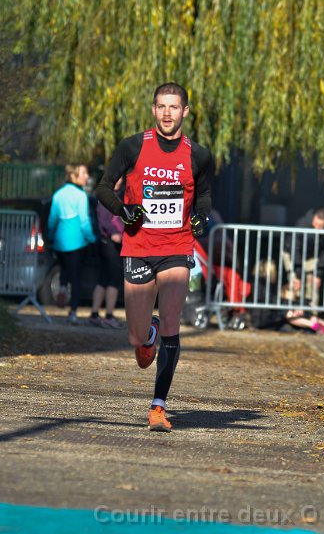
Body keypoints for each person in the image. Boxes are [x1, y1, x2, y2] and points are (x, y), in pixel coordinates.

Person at [96, 82, 213, 432]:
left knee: (173, 322)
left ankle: (158, 407)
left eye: (174, 107)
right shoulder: (132, 146)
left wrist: (201, 217)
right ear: (153, 109)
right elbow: (103, 187)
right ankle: (149, 334)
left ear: (185, 111)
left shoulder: (199, 155)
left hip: (176, 246)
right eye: (161, 106)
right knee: (136, 339)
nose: (167, 113)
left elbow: (204, 196)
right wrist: (123, 210)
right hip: (138, 246)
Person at [48, 164, 97, 324]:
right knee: (76, 277)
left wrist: (50, 237)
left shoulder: (58, 195)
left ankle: (62, 287)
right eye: (84, 173)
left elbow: (52, 220)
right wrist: (92, 238)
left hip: (60, 241)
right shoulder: (81, 195)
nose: (87, 176)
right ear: (73, 176)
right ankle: (73, 312)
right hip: (77, 241)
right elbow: (84, 221)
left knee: (64, 268)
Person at [282, 207, 324, 310]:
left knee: (313, 285)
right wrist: (298, 274)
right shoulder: (302, 224)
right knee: (295, 283)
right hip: (292, 254)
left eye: (320, 226)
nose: (316, 228)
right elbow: (295, 249)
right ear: (313, 218)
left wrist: (318, 274)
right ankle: (294, 311)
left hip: (313, 256)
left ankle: (312, 313)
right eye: (315, 224)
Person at [88, 178, 124, 328]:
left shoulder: (118, 195)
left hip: (111, 242)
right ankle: (108, 315)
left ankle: (94, 313)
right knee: (113, 278)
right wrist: (113, 232)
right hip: (109, 242)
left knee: (103, 278)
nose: (119, 180)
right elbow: (104, 218)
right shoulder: (107, 196)